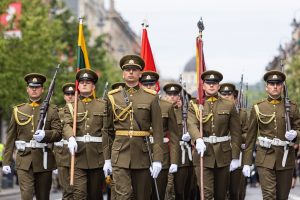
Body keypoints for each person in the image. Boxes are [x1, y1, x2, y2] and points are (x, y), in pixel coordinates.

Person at [103, 55, 164, 200]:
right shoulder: (112, 97)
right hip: (119, 154)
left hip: (142, 155)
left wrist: (157, 159)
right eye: (127, 69)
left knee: (142, 196)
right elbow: (107, 130)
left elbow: (158, 131)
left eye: (134, 69)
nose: (131, 72)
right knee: (123, 195)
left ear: (140, 74)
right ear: (123, 74)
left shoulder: (151, 97)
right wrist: (106, 159)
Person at [2, 73, 62, 200]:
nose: (34, 89)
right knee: (26, 195)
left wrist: (46, 134)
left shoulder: (51, 110)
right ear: (27, 89)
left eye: (37, 87)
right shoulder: (18, 110)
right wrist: (6, 161)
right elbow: (11, 137)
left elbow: (58, 134)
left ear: (42, 89)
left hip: (44, 159)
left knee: (43, 196)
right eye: (31, 87)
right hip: (24, 160)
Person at [243, 70, 300, 199]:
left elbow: (299, 129)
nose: (275, 86)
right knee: (269, 196)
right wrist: (246, 162)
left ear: (282, 86)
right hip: (265, 157)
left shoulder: (292, 107)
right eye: (271, 83)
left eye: (278, 83)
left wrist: (295, 134)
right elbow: (250, 137)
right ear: (266, 87)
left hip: (285, 158)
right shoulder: (258, 108)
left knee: (282, 197)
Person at [187, 70, 242, 200]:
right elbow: (191, 124)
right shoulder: (195, 104)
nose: (211, 85)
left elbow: (236, 133)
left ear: (218, 86)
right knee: (206, 194)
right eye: (208, 83)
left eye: (215, 83)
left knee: (220, 195)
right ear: (204, 85)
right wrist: (198, 139)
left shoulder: (228, 105)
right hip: (203, 154)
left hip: (223, 155)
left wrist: (235, 157)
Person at [63, 69, 106, 200]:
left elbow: (107, 131)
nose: (84, 84)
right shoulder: (71, 106)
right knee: (79, 194)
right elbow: (66, 124)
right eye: (82, 82)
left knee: (95, 195)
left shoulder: (103, 105)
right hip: (78, 156)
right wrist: (70, 137)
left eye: (88, 82)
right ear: (78, 86)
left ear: (93, 87)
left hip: (97, 157)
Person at [140, 71, 180, 200]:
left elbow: (173, 136)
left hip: (161, 155)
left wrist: (174, 161)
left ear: (156, 86)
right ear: (141, 86)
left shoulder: (167, 106)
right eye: (145, 84)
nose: (149, 87)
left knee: (159, 194)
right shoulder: (135, 105)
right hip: (141, 154)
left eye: (151, 84)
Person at [163, 83, 194, 200]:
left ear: (179, 97)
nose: (172, 97)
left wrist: (190, 135)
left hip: (182, 156)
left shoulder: (185, 113)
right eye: (169, 94)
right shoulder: (160, 110)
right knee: (167, 190)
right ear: (166, 96)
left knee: (181, 191)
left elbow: (193, 128)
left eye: (175, 94)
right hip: (166, 154)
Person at [219, 83, 248, 200]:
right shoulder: (217, 112)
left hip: (237, 155)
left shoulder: (242, 114)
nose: (226, 96)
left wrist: (237, 138)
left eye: (229, 94)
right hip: (220, 154)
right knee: (221, 190)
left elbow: (248, 134)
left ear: (234, 97)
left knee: (235, 191)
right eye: (224, 94)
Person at [53, 82, 76, 199]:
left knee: (80, 191)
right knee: (67, 191)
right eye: (67, 94)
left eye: (72, 93)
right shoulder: (58, 113)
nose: (70, 96)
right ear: (64, 96)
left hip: (79, 154)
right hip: (62, 157)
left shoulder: (82, 111)